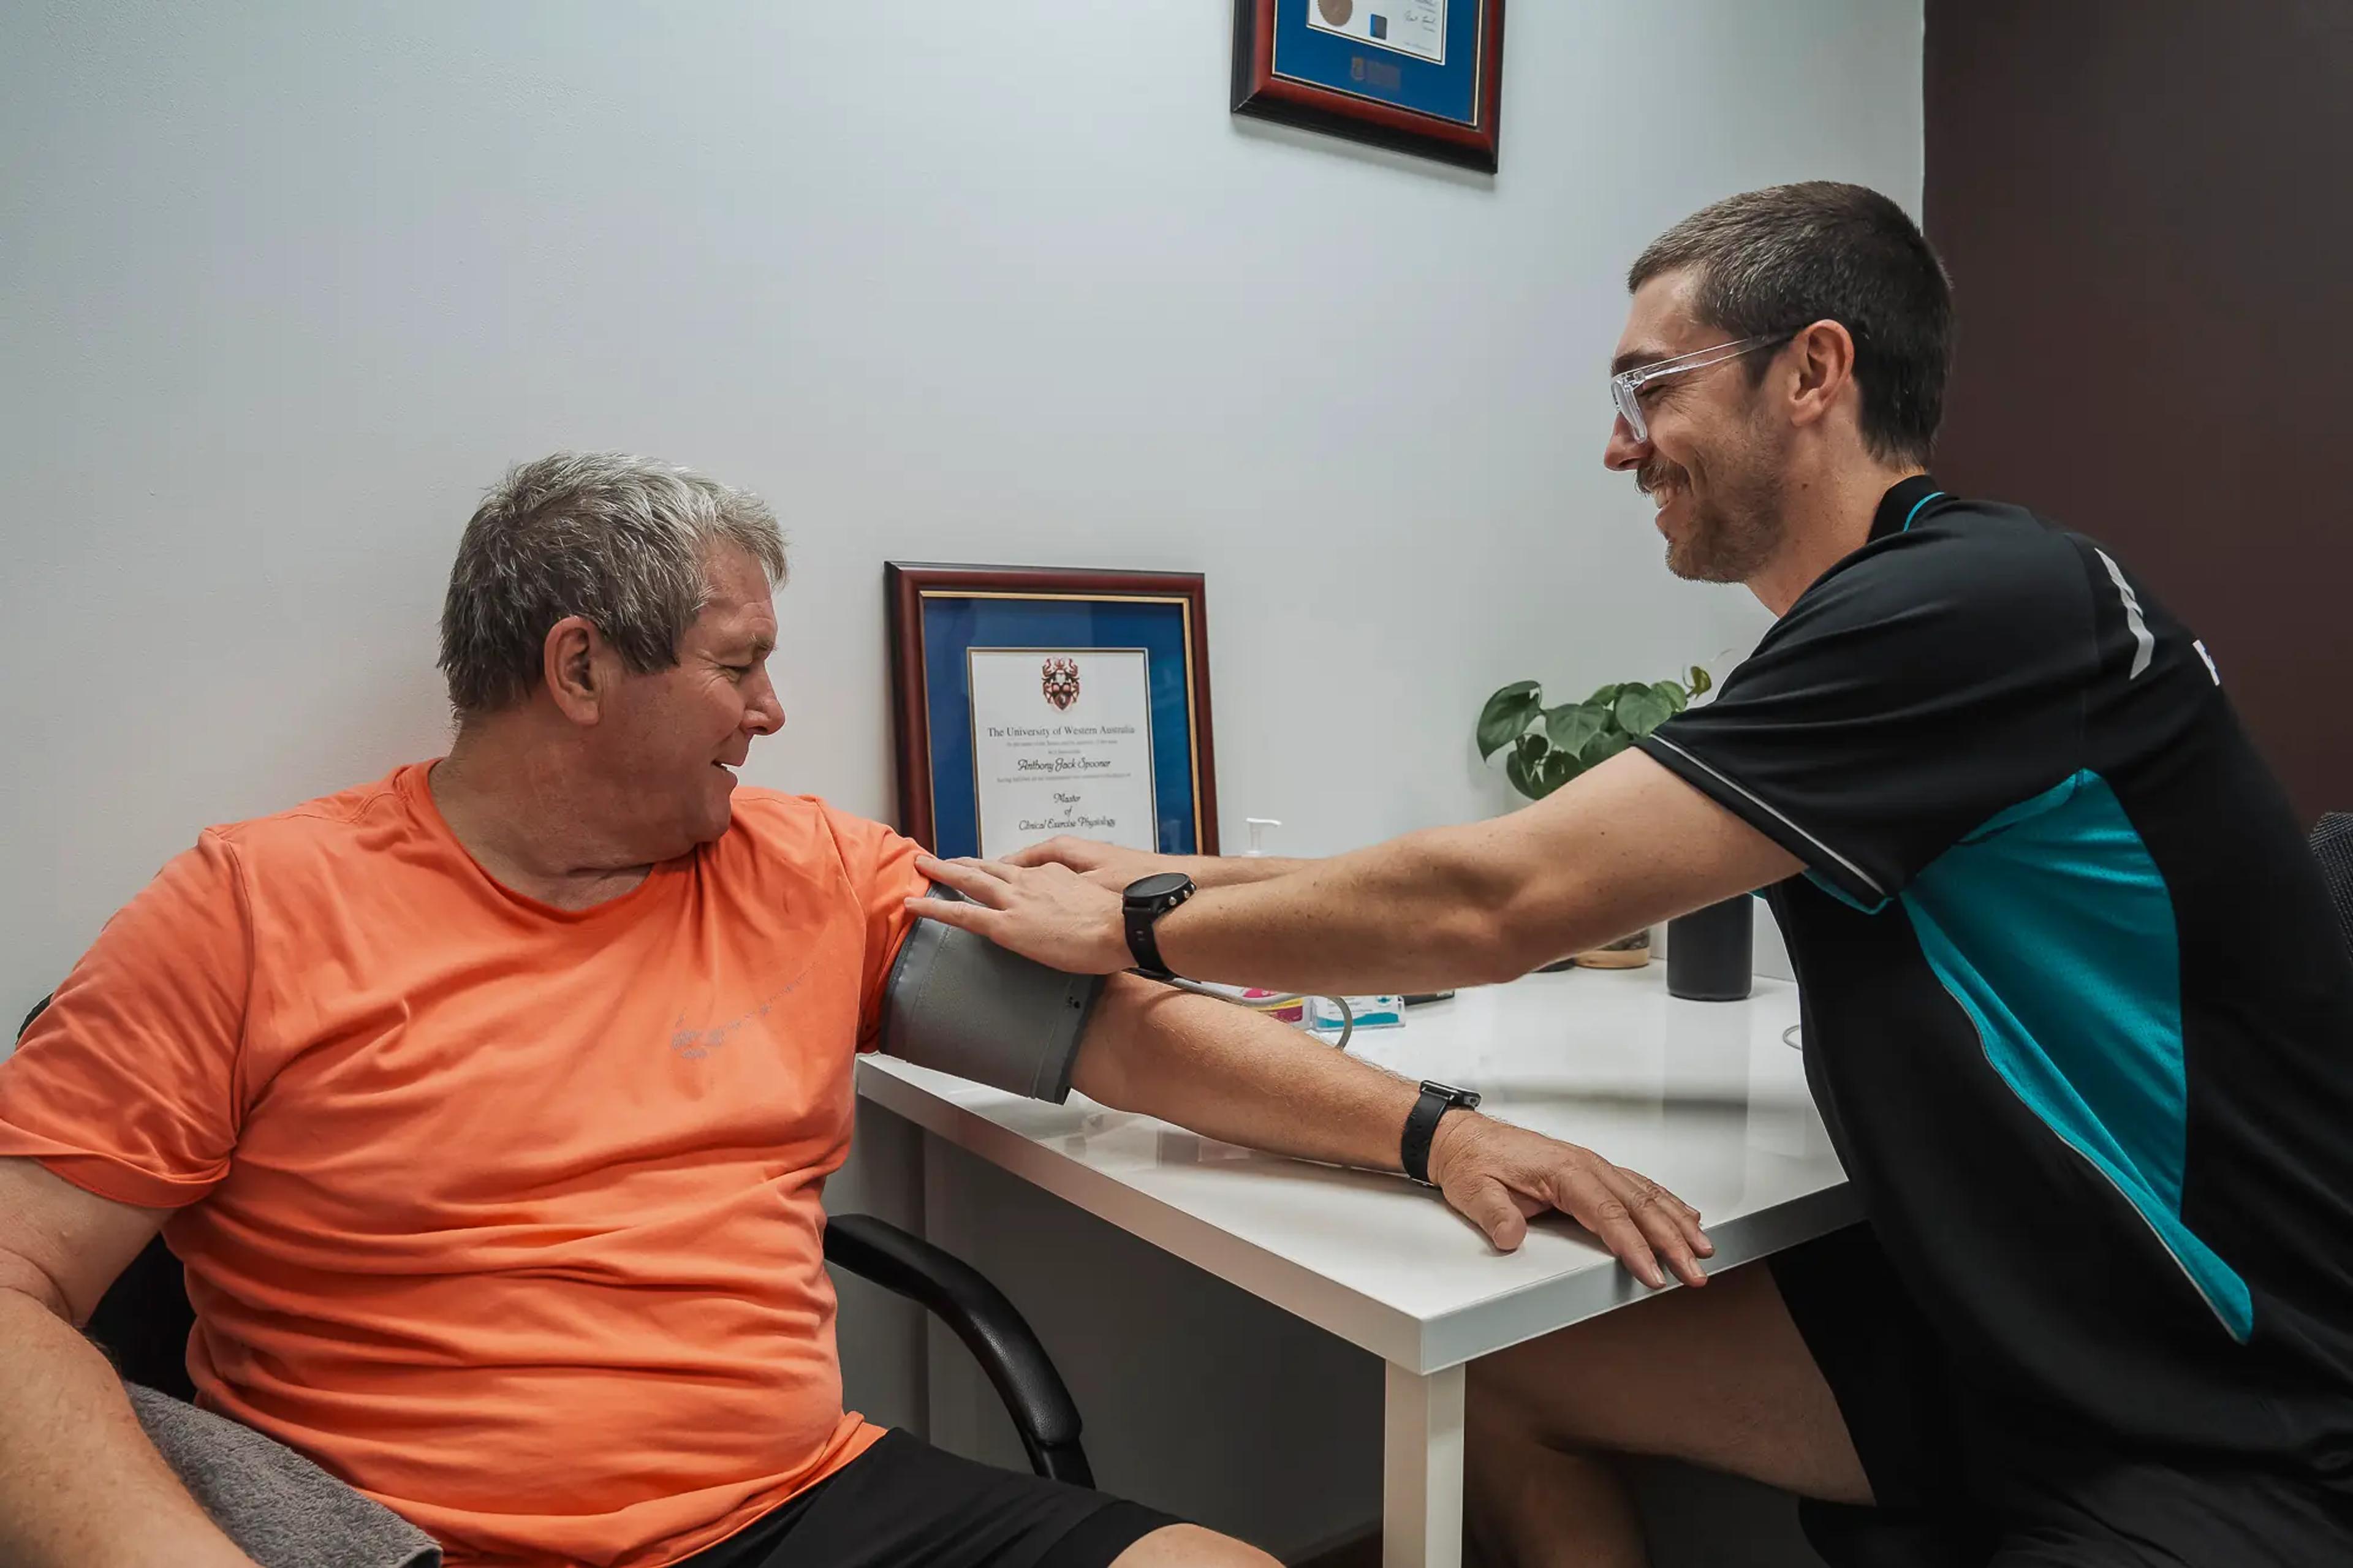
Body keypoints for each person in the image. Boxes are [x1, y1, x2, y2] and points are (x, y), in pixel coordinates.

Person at [909, 183, 2353, 1566]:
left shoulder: (1968, 608)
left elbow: (1504, 901)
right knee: (1520, 1378)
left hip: (2228, 1402)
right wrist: (1173, 866)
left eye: (1650, 387)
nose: (1622, 446)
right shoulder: (1926, 611)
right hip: (2013, 1322)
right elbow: (1519, 871)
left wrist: (1134, 926)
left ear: (1814, 371)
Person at [0, 452, 1715, 1568]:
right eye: (736, 665)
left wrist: (1438, 1133)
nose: (774, 708)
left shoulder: (801, 868)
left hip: (800, 1513)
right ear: (582, 667)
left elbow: (1109, 1031)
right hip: (422, 1540)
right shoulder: (250, 909)